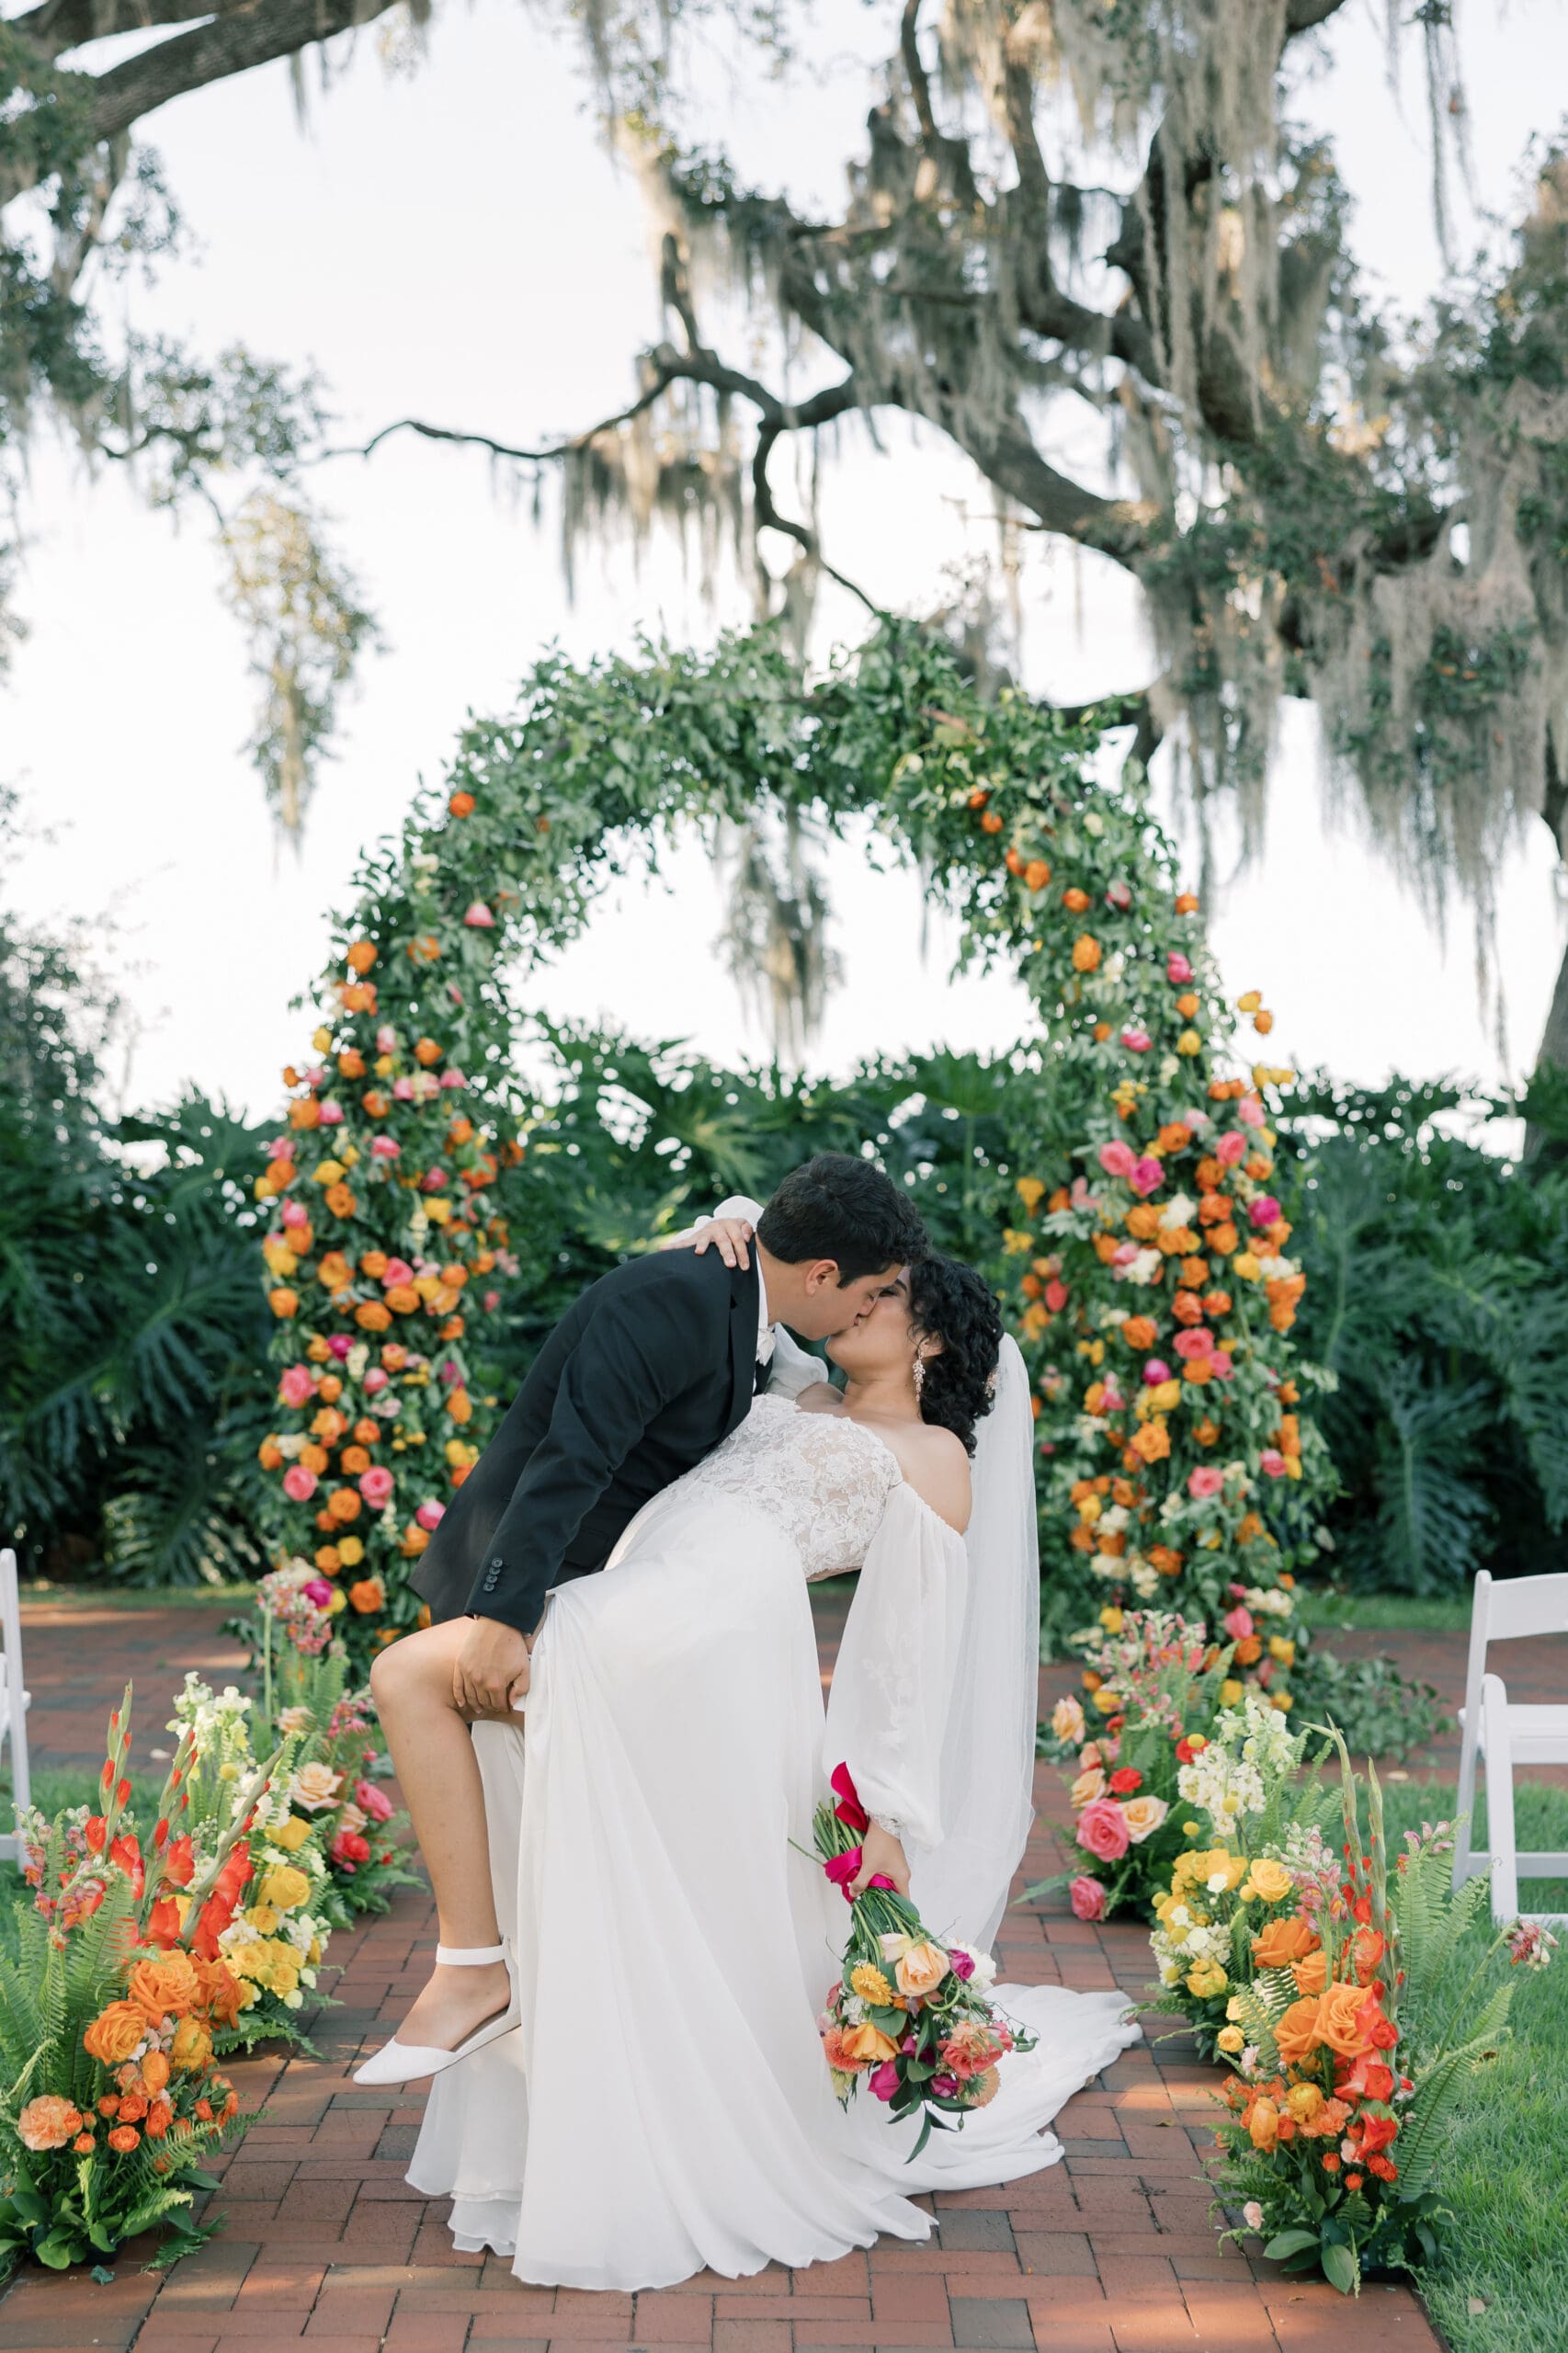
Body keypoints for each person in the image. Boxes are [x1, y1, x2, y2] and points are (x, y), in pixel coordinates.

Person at [361, 1192, 1142, 2291]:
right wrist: (724, 1223)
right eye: (865, 1285)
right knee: (610, 1861)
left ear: (926, 1336)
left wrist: (878, 1803)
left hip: (711, 1630)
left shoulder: (934, 1462)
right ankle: (556, 2062)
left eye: (890, 1297)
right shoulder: (790, 1380)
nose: (865, 1304)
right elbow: (747, 1298)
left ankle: (474, 1971)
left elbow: (903, 1653)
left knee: (409, 1673)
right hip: (652, 1598)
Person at [362, 1154, 927, 2072]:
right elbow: (571, 1454)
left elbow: (766, 1262)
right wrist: (507, 1615)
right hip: (538, 1579)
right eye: (862, 1296)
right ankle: (481, 1970)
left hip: (624, 1601)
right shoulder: (673, 1296)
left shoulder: (761, 1317)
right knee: (438, 1710)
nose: (862, 1315)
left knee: (559, 1811)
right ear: (822, 1274)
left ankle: (544, 2002)